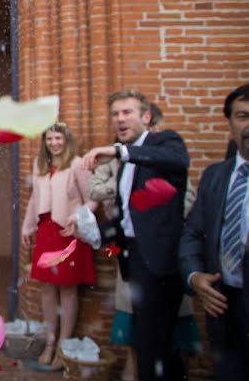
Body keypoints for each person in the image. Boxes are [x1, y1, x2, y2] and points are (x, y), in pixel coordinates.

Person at [84, 90, 190, 381]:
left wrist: (119, 151)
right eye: (115, 114)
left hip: (160, 265)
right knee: (150, 344)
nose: (120, 119)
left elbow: (178, 161)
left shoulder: (164, 143)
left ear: (146, 117)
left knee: (155, 346)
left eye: (127, 112)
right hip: (134, 262)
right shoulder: (128, 159)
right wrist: (94, 233)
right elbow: (128, 219)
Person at [180, 84, 249, 380]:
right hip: (222, 304)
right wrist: (195, 276)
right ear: (231, 123)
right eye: (243, 116)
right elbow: (193, 233)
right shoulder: (214, 176)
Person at [21, 122, 95, 370]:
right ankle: (50, 343)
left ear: (66, 140)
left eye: (58, 138)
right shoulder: (40, 165)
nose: (54, 143)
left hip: (68, 232)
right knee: (47, 289)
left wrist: (79, 218)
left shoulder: (77, 164)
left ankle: (63, 348)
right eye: (50, 139)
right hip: (46, 232)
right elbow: (34, 199)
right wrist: (27, 226)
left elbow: (92, 197)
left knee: (68, 290)